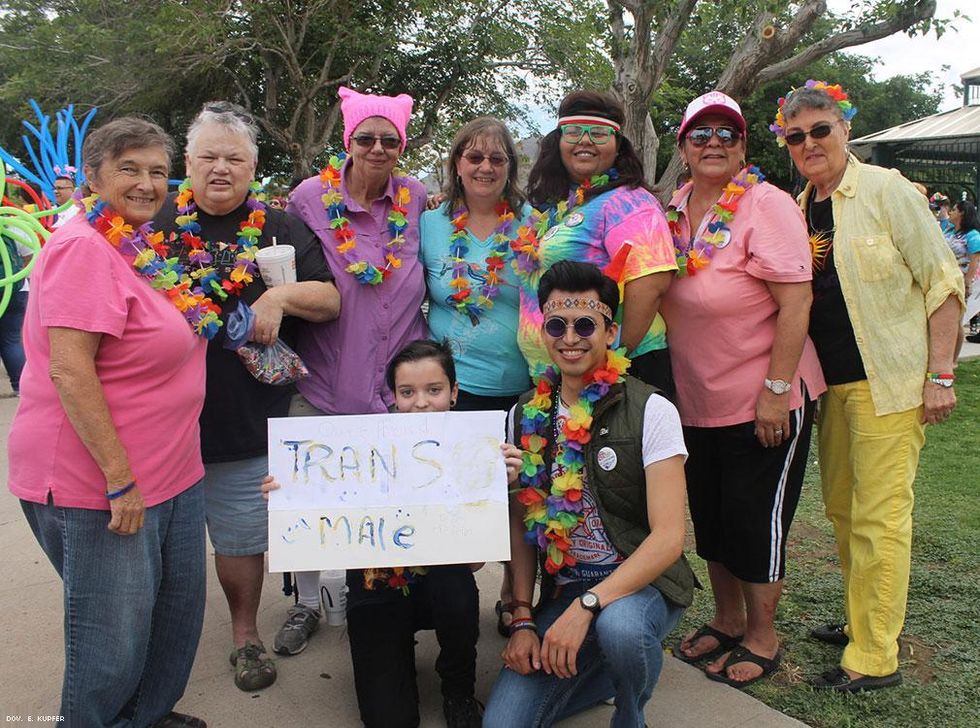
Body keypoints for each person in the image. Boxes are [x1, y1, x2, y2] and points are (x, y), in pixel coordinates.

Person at [7, 117, 209, 727]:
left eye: (156, 171)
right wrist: (119, 477)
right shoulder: (80, 248)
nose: (147, 183)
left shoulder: (132, 241)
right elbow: (70, 370)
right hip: (100, 481)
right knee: (110, 643)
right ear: (92, 176)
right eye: (130, 169)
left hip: (173, 469)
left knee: (174, 614)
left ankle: (147, 715)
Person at [772, 79, 964, 692]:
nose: (809, 144)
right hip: (832, 391)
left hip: (891, 385)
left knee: (880, 518)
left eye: (820, 130)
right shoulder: (796, 208)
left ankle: (875, 656)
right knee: (845, 512)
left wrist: (940, 375)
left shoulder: (887, 192)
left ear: (844, 129)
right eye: (795, 136)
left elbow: (943, 284)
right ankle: (867, 621)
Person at [152, 101, 340, 692]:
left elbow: (331, 300)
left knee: (239, 538)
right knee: (154, 547)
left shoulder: (280, 227)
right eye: (207, 156)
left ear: (253, 166)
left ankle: (244, 635)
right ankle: (149, 646)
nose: (220, 168)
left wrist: (278, 300)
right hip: (156, 423)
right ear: (187, 161)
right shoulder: (149, 222)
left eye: (234, 158)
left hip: (243, 418)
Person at [263, 338, 519, 728]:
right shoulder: (365, 446)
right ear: (393, 397)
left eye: (433, 390)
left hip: (443, 582)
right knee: (389, 719)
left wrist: (500, 483)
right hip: (375, 583)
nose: (420, 402)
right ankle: (392, 661)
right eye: (407, 392)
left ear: (453, 393)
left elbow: (474, 560)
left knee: (456, 590)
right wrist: (289, 489)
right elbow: (320, 507)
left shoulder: (476, 447)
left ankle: (457, 689)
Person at [660, 91, 825, 688]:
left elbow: (796, 301)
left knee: (756, 520)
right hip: (695, 399)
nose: (713, 144)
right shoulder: (672, 210)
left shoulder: (767, 203)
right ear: (682, 147)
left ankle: (762, 635)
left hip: (764, 394)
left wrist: (776, 390)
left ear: (743, 147)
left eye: (726, 134)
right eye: (700, 134)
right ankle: (727, 621)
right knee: (713, 518)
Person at [484, 260, 694, 728]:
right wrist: (522, 618)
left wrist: (588, 606)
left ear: (610, 331)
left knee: (620, 628)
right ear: (544, 332)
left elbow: (668, 539)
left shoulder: (651, 409)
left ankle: (631, 709)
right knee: (502, 724)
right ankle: (597, 672)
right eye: (557, 324)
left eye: (585, 324)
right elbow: (521, 526)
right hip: (565, 584)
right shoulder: (524, 414)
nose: (570, 337)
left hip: (639, 584)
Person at [283, 86, 428, 655]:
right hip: (325, 378)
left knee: (384, 503)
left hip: (395, 384)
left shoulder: (415, 198)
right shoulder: (308, 199)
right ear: (348, 141)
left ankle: (375, 601)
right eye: (365, 138)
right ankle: (305, 604)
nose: (376, 149)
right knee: (310, 502)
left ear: (401, 146)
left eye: (389, 140)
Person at [419, 117, 531, 636]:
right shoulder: (430, 224)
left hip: (520, 386)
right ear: (457, 164)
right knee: (459, 495)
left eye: (497, 158)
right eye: (474, 157)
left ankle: (516, 595)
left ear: (510, 167)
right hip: (454, 391)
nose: (485, 167)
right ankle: (454, 601)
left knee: (517, 496)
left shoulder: (534, 224)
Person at [516, 91, 677, 397]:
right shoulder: (560, 205)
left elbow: (651, 284)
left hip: (615, 372)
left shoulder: (629, 201)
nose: (585, 141)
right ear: (558, 143)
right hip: (562, 371)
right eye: (574, 132)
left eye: (599, 133)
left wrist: (610, 360)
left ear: (618, 147)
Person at [0, 225, 34, 395]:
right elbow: (30, 254)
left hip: (11, 287)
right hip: (15, 288)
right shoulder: (12, 226)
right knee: (11, 340)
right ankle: (20, 387)